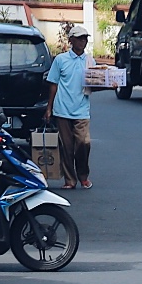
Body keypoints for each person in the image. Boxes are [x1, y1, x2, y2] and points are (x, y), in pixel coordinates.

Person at [45, 28, 96, 189]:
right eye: (80, 39)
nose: (83, 42)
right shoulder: (61, 60)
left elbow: (95, 83)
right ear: (71, 40)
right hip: (62, 109)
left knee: (83, 143)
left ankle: (83, 175)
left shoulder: (90, 61)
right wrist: (49, 108)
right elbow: (53, 84)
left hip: (82, 109)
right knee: (66, 147)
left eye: (85, 39)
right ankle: (70, 179)